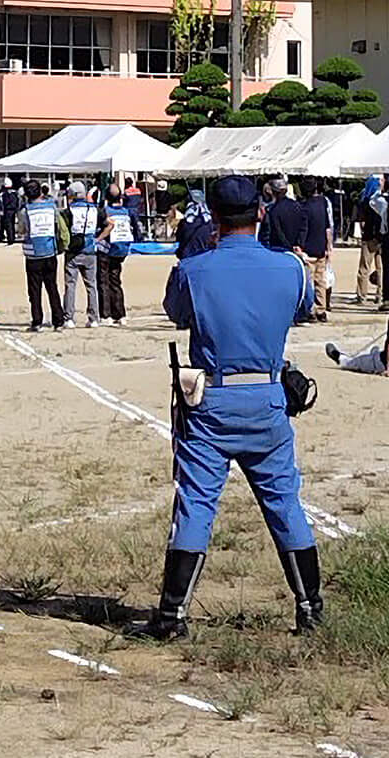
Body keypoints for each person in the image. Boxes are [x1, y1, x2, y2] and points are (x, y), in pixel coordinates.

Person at [129, 176, 322, 641]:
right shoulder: (291, 269)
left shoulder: (193, 270)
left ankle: (173, 614)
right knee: (284, 504)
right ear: (261, 213)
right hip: (268, 396)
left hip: (212, 398)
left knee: (196, 504)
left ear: (213, 218)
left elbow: (178, 313)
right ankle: (310, 607)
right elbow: (302, 309)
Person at [22, 180, 68, 330]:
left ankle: (37, 321)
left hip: (33, 255)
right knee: (52, 287)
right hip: (50, 252)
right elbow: (59, 226)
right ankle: (58, 320)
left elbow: (21, 229)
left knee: (34, 290)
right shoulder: (51, 207)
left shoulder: (25, 211)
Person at [64, 181, 103, 327]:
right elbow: (108, 223)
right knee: (91, 285)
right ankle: (93, 318)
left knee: (70, 285)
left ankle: (69, 318)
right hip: (90, 250)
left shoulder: (69, 210)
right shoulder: (94, 209)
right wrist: (97, 239)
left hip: (73, 250)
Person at [97, 179, 133, 323]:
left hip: (107, 249)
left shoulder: (106, 212)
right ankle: (120, 314)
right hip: (121, 250)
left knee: (103, 281)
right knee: (116, 281)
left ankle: (106, 314)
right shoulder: (125, 212)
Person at [299, 177, 334, 321]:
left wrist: (300, 246)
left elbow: (303, 229)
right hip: (321, 246)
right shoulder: (322, 202)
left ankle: (311, 309)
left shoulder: (304, 207)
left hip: (308, 248)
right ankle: (321, 309)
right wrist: (329, 246)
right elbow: (328, 227)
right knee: (321, 280)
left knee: (309, 281)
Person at [353, 174, 387, 304]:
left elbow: (362, 221)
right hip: (382, 237)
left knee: (364, 267)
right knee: (381, 268)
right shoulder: (384, 200)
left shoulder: (365, 200)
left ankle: (362, 294)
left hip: (368, 237)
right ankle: (380, 294)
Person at [259, 178, 306, 255]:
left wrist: (288, 246)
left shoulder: (273, 210)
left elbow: (276, 231)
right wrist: (299, 243)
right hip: (296, 249)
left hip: (278, 249)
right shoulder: (298, 206)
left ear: (273, 192)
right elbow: (304, 227)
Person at [176, 188, 218, 259]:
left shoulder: (185, 222)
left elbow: (179, 238)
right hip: (206, 256)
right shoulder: (210, 221)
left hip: (187, 257)